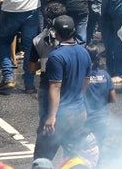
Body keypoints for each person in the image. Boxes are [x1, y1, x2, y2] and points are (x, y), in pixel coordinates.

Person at [36, 15, 91, 163]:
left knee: (42, 160)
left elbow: (55, 86)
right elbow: (86, 81)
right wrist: (80, 101)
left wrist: (51, 116)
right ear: (74, 30)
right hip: (79, 113)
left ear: (56, 33)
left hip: (61, 116)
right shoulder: (84, 52)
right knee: (72, 159)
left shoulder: (56, 56)